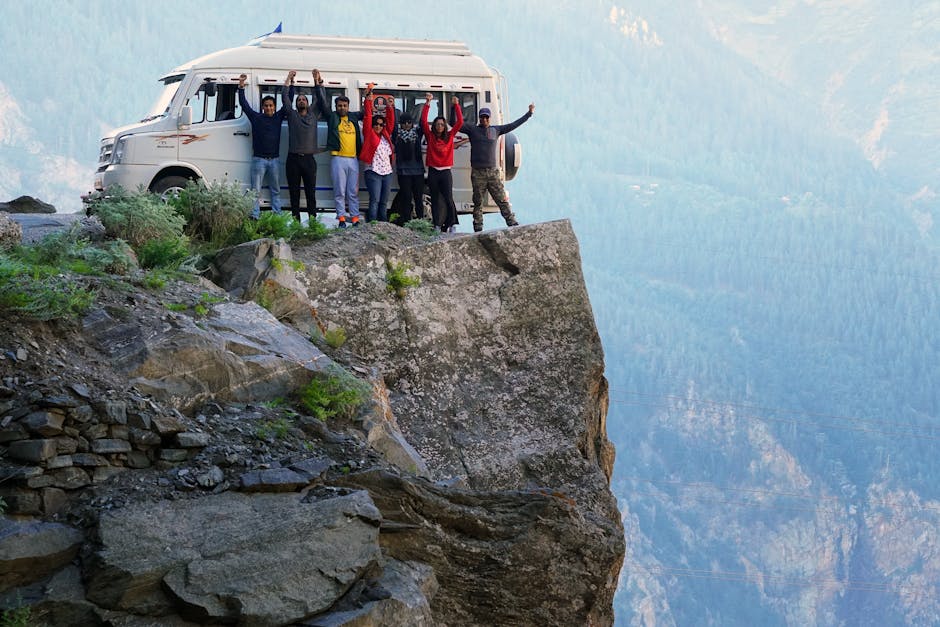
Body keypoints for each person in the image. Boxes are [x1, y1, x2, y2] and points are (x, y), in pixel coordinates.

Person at [461, 102, 535, 231]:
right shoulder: (473, 130)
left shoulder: (496, 130)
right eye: (482, 117)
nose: (484, 119)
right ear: (479, 118)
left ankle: (511, 222)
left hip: (492, 172)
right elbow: (455, 123)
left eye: (486, 117)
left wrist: (528, 114)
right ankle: (478, 228)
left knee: (501, 199)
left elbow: (514, 125)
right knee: (478, 202)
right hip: (478, 173)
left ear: (489, 118)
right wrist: (453, 107)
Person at [238, 72, 290, 219]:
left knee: (276, 190)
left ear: (274, 107)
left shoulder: (278, 117)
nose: (268, 108)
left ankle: (277, 216)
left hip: (274, 160)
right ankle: (255, 215)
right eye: (266, 106)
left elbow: (288, 102)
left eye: (271, 106)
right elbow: (244, 104)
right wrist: (241, 85)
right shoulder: (256, 117)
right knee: (256, 190)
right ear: (263, 107)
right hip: (259, 160)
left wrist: (289, 82)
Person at [283, 69, 329, 221]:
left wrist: (317, 80)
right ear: (296, 104)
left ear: (308, 103)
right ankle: (296, 223)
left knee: (311, 192)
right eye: (299, 100)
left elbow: (321, 100)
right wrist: (289, 79)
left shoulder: (313, 115)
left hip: (309, 160)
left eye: (304, 99)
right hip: (293, 160)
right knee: (294, 193)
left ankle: (313, 222)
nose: (301, 101)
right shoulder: (292, 115)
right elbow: (285, 98)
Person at [320, 76, 363, 228]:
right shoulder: (332, 117)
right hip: (338, 158)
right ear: (336, 107)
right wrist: (319, 83)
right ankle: (342, 218)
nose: (342, 108)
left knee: (353, 191)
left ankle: (355, 218)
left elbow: (367, 112)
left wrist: (369, 94)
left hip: (353, 159)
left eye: (344, 105)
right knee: (340, 191)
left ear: (348, 106)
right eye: (339, 106)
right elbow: (323, 104)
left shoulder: (353, 117)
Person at [421, 93, 463, 232]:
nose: (439, 126)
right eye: (437, 124)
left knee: (448, 199)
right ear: (434, 126)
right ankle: (437, 225)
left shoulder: (450, 136)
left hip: (445, 172)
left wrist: (456, 105)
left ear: (445, 126)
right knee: (434, 199)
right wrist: (428, 103)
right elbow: (423, 121)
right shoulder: (430, 136)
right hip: (433, 171)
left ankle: (452, 224)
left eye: (441, 124)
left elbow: (460, 123)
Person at [359, 89, 396, 222]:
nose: (379, 126)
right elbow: (368, 117)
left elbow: (391, 123)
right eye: (376, 124)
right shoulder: (369, 134)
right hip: (373, 171)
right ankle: (373, 225)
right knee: (374, 200)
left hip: (387, 173)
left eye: (381, 124)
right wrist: (368, 101)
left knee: (384, 202)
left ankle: (383, 225)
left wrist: (390, 106)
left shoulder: (385, 135)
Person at [392, 111, 425, 223]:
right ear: (400, 123)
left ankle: (421, 222)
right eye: (404, 122)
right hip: (403, 172)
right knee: (405, 198)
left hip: (418, 172)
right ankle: (406, 221)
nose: (407, 124)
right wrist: (391, 107)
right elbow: (392, 122)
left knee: (418, 199)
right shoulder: (397, 135)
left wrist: (427, 104)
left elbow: (423, 122)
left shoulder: (417, 133)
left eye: (409, 122)